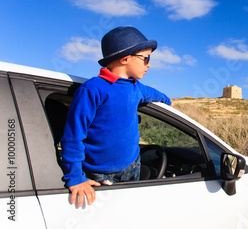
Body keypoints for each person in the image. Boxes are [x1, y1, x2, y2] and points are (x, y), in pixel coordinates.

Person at [60, 26, 172, 208]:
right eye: (146, 58)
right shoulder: (93, 89)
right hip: (101, 175)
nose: (149, 64)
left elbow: (153, 94)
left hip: (133, 166)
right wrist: (75, 177)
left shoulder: (135, 87)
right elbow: (73, 136)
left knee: (130, 212)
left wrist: (168, 101)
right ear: (125, 58)